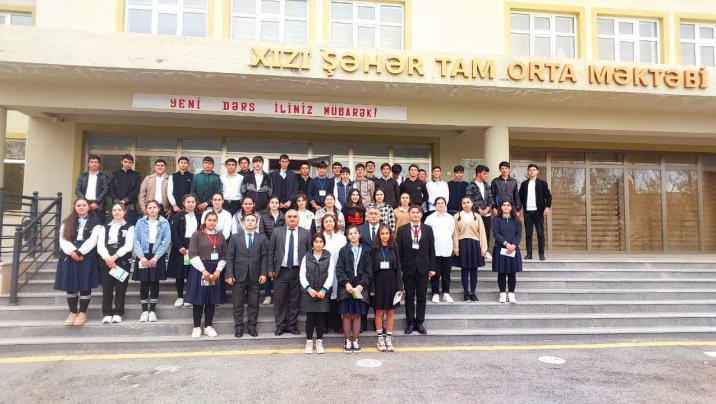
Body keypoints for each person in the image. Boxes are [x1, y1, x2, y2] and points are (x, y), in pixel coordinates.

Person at [54, 198, 102, 326]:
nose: (81, 207)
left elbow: (93, 239)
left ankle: (82, 313)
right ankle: (72, 312)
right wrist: (73, 252)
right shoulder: (67, 222)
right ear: (75, 207)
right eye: (78, 205)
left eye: (83, 205)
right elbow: (63, 239)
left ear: (88, 207)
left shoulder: (96, 222)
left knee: (85, 283)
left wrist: (80, 253)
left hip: (87, 253)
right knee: (70, 284)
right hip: (69, 253)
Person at [268, 210, 311, 335]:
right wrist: (270, 268)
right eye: (290, 217)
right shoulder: (277, 231)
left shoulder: (306, 233)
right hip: (281, 271)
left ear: (298, 219)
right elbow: (271, 251)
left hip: (298, 271)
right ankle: (280, 326)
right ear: (285, 219)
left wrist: (308, 272)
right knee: (280, 300)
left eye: (294, 217)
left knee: (294, 299)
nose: (292, 219)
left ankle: (292, 325)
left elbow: (309, 253)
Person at [225, 213, 268, 338]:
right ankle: (238, 328)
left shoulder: (261, 238)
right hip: (238, 276)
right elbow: (230, 257)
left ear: (256, 223)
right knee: (238, 303)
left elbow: (264, 257)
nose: (250, 222)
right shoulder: (235, 237)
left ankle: (252, 327)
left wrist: (263, 273)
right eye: (247, 220)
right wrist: (229, 274)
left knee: (254, 303)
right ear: (243, 223)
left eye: (252, 220)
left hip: (255, 276)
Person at [186, 211, 228, 338]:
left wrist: (218, 270)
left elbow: (224, 255)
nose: (212, 222)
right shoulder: (197, 234)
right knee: (198, 299)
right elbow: (192, 254)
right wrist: (203, 270)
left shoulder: (220, 235)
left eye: (214, 220)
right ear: (205, 221)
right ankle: (196, 327)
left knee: (211, 299)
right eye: (209, 220)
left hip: (215, 270)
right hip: (200, 269)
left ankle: (208, 326)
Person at [396, 205, 435, 335]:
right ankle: (410, 322)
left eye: (418, 212)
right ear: (409, 214)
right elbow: (398, 252)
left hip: (423, 268)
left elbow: (431, 249)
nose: (415, 214)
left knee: (422, 296)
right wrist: (399, 269)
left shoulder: (428, 229)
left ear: (421, 214)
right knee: (409, 296)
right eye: (413, 212)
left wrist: (432, 267)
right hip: (408, 268)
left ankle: (419, 322)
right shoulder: (402, 230)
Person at [132, 200, 171, 322]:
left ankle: (152, 310)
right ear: (146, 210)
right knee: (144, 282)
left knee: (154, 282)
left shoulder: (164, 222)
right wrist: (141, 256)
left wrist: (156, 257)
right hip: (143, 254)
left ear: (159, 209)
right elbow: (135, 240)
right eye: (150, 207)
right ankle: (144, 311)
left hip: (157, 254)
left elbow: (166, 241)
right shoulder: (140, 222)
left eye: (154, 207)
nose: (152, 209)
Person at [335, 226, 373, 353]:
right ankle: (347, 340)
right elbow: (339, 269)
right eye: (350, 233)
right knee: (346, 314)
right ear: (347, 236)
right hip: (346, 287)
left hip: (360, 287)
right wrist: (346, 284)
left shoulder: (366, 250)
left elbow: (368, 270)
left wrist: (361, 285)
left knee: (357, 314)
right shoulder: (343, 250)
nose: (353, 235)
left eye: (355, 233)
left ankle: (355, 340)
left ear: (359, 235)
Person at [97, 202, 134, 324]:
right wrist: (107, 258)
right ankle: (107, 313)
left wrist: (115, 257)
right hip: (106, 260)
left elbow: (128, 246)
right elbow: (100, 245)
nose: (117, 212)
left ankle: (118, 313)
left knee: (120, 288)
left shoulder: (129, 227)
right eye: (114, 210)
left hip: (122, 259)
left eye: (119, 210)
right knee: (107, 288)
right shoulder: (105, 227)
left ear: (125, 212)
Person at [299, 233, 334, 354]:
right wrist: (308, 288)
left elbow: (331, 275)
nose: (318, 244)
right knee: (310, 318)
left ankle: (319, 342)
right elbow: (302, 275)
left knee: (320, 318)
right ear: (312, 244)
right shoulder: (307, 256)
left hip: (322, 293)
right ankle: (309, 342)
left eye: (321, 241)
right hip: (309, 293)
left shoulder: (328, 256)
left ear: (324, 243)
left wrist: (324, 289)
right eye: (316, 241)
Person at [370, 224, 402, 352]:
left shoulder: (394, 248)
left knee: (390, 311)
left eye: (387, 233)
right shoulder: (374, 249)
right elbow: (371, 270)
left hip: (392, 283)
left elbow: (398, 268)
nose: (385, 236)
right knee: (379, 311)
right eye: (382, 233)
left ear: (390, 235)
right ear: (379, 235)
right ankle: (380, 339)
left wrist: (400, 287)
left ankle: (388, 338)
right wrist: (372, 287)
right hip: (378, 283)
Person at [167, 194, 200, 307]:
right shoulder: (177, 216)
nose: (190, 204)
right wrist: (180, 246)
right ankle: (180, 296)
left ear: (196, 203)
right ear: (184, 203)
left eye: (193, 202)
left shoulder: (199, 216)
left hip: (195, 246)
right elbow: (173, 232)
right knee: (180, 273)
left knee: (192, 273)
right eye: (188, 202)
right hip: (180, 247)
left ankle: (191, 297)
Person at [453, 196, 487, 302]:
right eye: (464, 202)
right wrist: (456, 247)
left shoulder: (477, 216)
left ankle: (473, 292)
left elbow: (482, 232)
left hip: (475, 244)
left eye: (468, 202)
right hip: (462, 244)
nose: (466, 204)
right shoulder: (457, 216)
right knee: (464, 269)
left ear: (472, 204)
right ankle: (466, 293)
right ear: (461, 204)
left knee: (474, 269)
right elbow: (455, 233)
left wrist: (484, 248)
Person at [425, 197, 456, 304]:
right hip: (434, 250)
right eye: (438, 203)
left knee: (446, 273)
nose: (440, 205)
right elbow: (426, 234)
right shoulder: (430, 218)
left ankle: (446, 293)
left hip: (447, 249)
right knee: (435, 273)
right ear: (435, 205)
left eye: (442, 203)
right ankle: (435, 293)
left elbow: (451, 232)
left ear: (445, 205)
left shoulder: (450, 218)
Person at [519, 164, 552, 261]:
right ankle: (529, 254)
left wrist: (547, 207)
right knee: (528, 234)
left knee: (540, 233)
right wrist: (519, 209)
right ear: (528, 172)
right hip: (527, 212)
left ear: (537, 172)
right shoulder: (524, 184)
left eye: (534, 170)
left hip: (538, 212)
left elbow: (548, 196)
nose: (532, 171)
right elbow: (520, 198)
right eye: (530, 170)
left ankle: (541, 254)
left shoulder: (542, 183)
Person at [320, 214, 347, 334]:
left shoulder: (341, 238)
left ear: (335, 223)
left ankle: (337, 325)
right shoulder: (320, 237)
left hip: (338, 271)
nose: (328, 223)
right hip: (323, 272)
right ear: (323, 224)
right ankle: (324, 325)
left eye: (331, 221)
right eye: (326, 221)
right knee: (325, 297)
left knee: (337, 297)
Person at [492, 200, 523, 304]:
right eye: (504, 205)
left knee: (512, 273)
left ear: (511, 207)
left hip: (513, 249)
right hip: (501, 249)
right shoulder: (496, 220)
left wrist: (513, 245)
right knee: (501, 272)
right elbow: (496, 234)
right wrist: (506, 244)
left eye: (508, 205)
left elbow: (519, 235)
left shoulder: (517, 220)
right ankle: (502, 294)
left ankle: (511, 293)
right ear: (501, 207)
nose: (506, 207)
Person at [259, 196, 285, 308]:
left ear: (279, 204)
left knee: (279, 270)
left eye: (276, 202)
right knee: (267, 270)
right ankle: (268, 295)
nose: (274, 204)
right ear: (269, 204)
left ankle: (279, 295)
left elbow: (285, 231)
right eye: (272, 202)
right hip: (267, 246)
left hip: (280, 247)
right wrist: (269, 244)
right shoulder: (264, 217)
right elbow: (261, 232)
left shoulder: (284, 217)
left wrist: (277, 244)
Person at [466, 165, 494, 260]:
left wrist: (488, 209)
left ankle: (485, 251)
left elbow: (491, 199)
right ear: (478, 173)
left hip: (487, 213)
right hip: (475, 214)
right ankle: (476, 252)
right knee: (475, 233)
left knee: (486, 233)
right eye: (484, 173)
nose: (486, 175)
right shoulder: (470, 185)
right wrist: (479, 210)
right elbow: (470, 199)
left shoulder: (487, 185)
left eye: (486, 174)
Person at [75, 154, 109, 223]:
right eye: (92, 162)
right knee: (83, 225)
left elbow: (106, 190)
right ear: (89, 164)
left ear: (99, 164)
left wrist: (97, 202)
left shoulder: (104, 177)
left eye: (96, 162)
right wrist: (85, 202)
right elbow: (77, 190)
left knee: (98, 226)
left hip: (99, 206)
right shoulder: (83, 176)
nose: (94, 164)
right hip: (84, 205)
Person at [110, 154, 141, 224]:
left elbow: (137, 190)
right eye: (125, 162)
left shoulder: (136, 175)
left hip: (131, 207)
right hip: (117, 206)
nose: (127, 164)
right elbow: (111, 189)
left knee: (130, 226)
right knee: (116, 226)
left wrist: (125, 200)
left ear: (132, 163)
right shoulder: (115, 174)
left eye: (130, 162)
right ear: (121, 162)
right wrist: (117, 201)